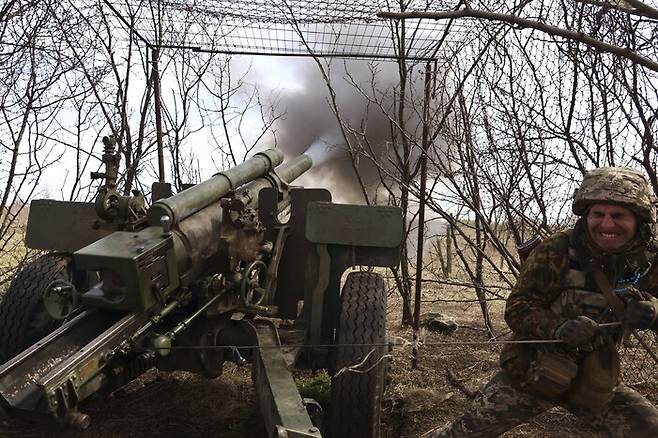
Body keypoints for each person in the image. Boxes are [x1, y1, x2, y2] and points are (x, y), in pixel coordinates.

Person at [424, 167, 658, 437]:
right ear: (586, 215)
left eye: (618, 216)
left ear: (639, 219)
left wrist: (653, 313)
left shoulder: (649, 260)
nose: (606, 224)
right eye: (598, 214)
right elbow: (518, 307)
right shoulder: (558, 248)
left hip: (593, 378)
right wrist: (558, 328)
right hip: (531, 371)